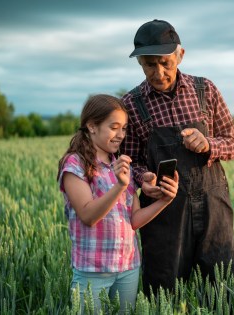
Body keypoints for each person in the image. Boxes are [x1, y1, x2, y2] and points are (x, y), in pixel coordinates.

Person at [120, 19, 234, 294]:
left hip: (213, 205)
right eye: (150, 64)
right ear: (140, 63)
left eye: (165, 62)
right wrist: (143, 178)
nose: (159, 72)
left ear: (180, 55)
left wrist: (209, 144)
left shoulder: (205, 90)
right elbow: (130, 162)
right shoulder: (131, 104)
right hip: (163, 210)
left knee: (222, 288)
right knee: (164, 290)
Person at [57, 94, 179, 313]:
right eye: (114, 127)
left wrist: (164, 201)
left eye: (124, 128)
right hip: (92, 271)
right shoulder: (75, 164)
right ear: (92, 126)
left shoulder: (122, 165)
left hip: (128, 267)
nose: (121, 135)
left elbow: (133, 220)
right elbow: (88, 215)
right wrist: (120, 186)